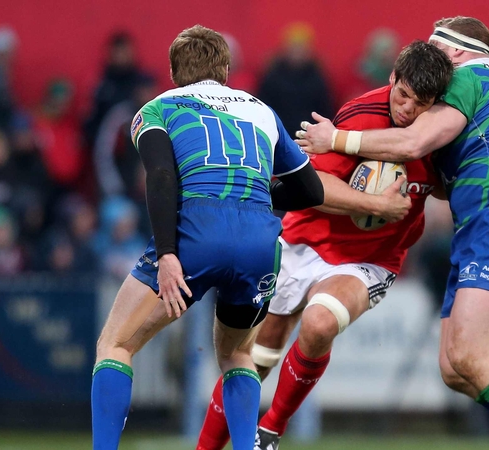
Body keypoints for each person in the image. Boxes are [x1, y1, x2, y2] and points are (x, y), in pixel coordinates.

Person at [301, 16, 489, 450]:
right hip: (486, 227)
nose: (433, 67)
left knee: (470, 357)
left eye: (437, 52)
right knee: (454, 368)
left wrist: (336, 139)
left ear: (457, 52)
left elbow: (412, 143)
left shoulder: (469, 78)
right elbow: (442, 177)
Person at [194, 40, 454, 450]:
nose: (406, 110)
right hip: (304, 239)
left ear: (435, 102)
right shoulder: (359, 115)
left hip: (370, 259)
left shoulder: (440, 133)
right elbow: (313, 188)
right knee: (253, 359)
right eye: (402, 95)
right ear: (392, 78)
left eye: (419, 104)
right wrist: (377, 204)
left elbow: (444, 186)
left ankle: (271, 430)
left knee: (319, 323)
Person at [90, 25, 323, 450]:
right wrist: (256, 193)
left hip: (196, 230)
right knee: (236, 355)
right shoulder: (261, 110)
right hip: (260, 239)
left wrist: (166, 255)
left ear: (175, 71)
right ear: (226, 69)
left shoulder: (158, 107)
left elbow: (160, 176)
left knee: (116, 343)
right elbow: (311, 192)